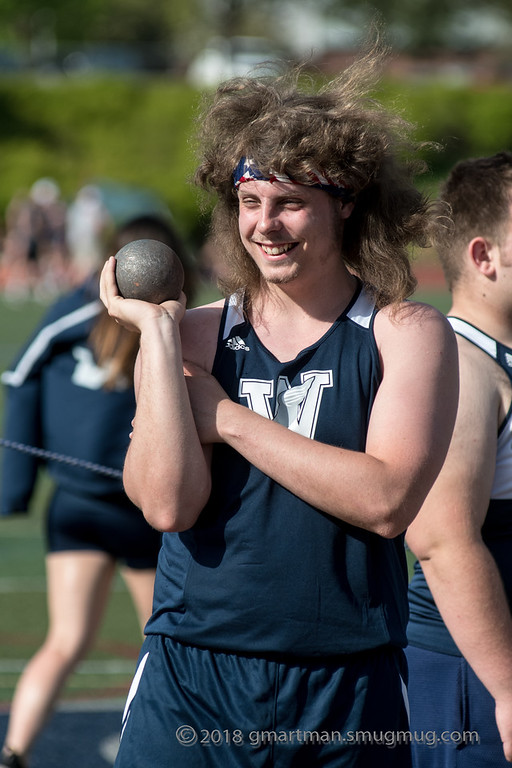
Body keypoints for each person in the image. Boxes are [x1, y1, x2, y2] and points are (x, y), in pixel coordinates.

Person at [99, 42, 458, 768]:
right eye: (250, 201)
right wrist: (158, 338)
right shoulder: (194, 333)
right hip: (192, 676)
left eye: (291, 203)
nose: (265, 225)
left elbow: (387, 500)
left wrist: (226, 419)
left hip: (347, 685)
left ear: (346, 204)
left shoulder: (406, 335)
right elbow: (166, 507)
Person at [0, 214, 197, 768]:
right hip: (141, 511)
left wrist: (15, 489)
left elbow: (19, 381)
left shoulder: (78, 311)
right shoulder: (180, 326)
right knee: (162, 648)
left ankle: (13, 754)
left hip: (84, 506)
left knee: (63, 642)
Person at [406, 152, 512, 766]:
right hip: (472, 684)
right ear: (483, 256)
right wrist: (506, 686)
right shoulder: (463, 369)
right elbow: (442, 541)